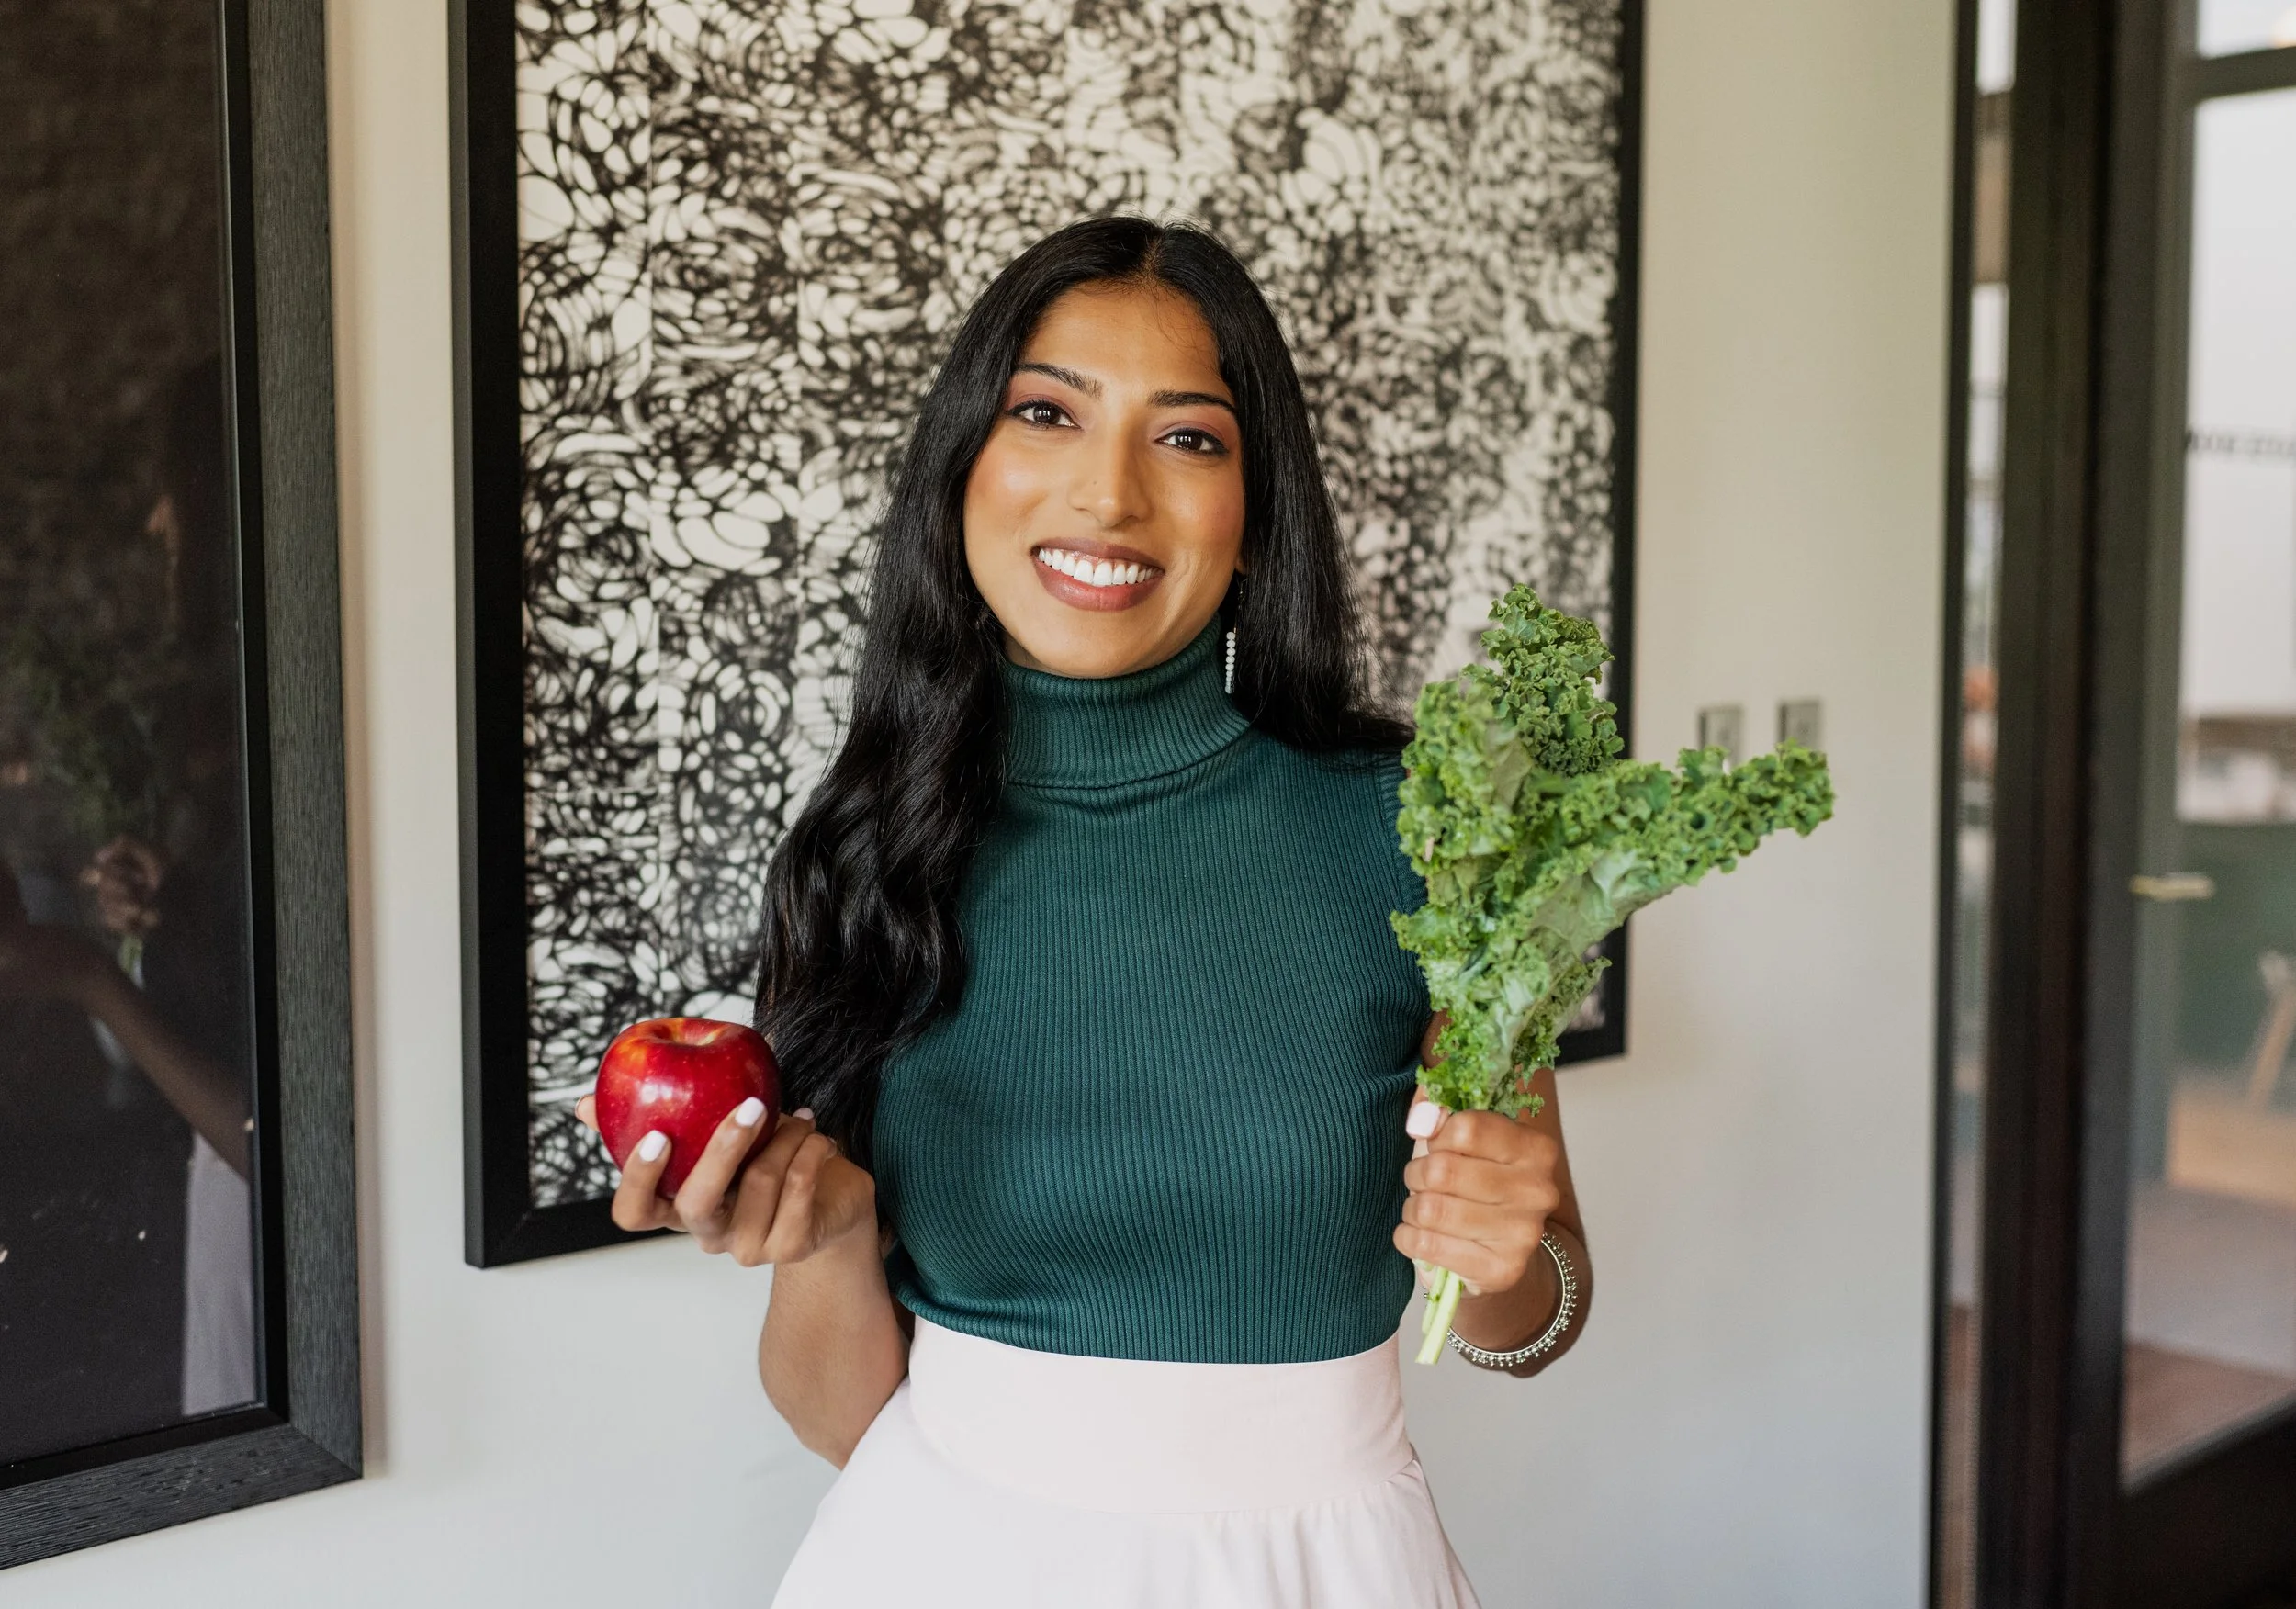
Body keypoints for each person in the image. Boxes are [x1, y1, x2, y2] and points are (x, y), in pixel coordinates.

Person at [576, 218, 1594, 1607]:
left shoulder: (1425, 829)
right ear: (962, 473)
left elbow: (1539, 1313)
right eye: (1046, 414)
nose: (1110, 495)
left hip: (1317, 1569)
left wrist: (1509, 1255)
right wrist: (820, 1243)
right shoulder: (864, 855)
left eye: (1187, 439)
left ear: (1253, 517)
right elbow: (839, 1421)